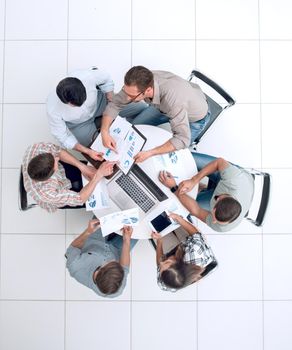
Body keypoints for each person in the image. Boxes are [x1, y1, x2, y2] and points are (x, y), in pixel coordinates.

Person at [101, 66, 209, 163]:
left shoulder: (173, 102)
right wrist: (104, 132)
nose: (127, 98)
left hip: (195, 117)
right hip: (163, 106)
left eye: (131, 96)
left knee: (176, 157)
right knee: (135, 128)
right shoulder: (139, 81)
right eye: (126, 92)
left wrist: (150, 153)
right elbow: (115, 104)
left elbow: (182, 139)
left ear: (148, 90)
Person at [47, 67, 154, 160]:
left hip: (101, 103)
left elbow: (107, 79)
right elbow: (63, 137)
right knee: (101, 153)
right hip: (80, 124)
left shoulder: (87, 76)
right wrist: (87, 151)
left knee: (141, 107)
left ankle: (123, 127)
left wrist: (111, 99)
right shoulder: (53, 108)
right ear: (66, 102)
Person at [158, 153, 254, 232]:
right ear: (218, 198)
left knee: (183, 205)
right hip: (234, 178)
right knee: (184, 158)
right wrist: (193, 180)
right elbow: (219, 162)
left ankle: (202, 189)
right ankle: (200, 185)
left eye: (216, 221)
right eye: (213, 217)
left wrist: (174, 188)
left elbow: (197, 210)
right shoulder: (234, 179)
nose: (214, 222)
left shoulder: (221, 227)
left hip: (237, 191)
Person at [22, 142, 116, 212]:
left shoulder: (36, 149)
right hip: (60, 192)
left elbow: (58, 152)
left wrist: (82, 167)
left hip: (62, 172)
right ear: (51, 175)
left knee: (89, 168)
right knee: (102, 197)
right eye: (55, 162)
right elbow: (80, 198)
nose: (57, 158)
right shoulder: (47, 193)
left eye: (52, 157)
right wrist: (98, 175)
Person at [66, 218, 137, 298]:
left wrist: (88, 231)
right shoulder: (116, 287)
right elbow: (125, 267)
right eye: (115, 262)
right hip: (118, 250)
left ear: (98, 271)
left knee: (103, 213)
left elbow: (73, 247)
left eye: (110, 262)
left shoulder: (75, 266)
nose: (113, 259)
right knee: (137, 228)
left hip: (95, 241)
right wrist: (126, 240)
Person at [152, 213, 217, 292]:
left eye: (162, 267)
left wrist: (159, 242)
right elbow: (195, 234)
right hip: (192, 242)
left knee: (158, 228)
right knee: (174, 220)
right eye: (166, 262)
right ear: (180, 263)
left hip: (178, 253)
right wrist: (178, 218)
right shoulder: (195, 252)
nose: (161, 263)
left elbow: (160, 264)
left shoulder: (163, 283)